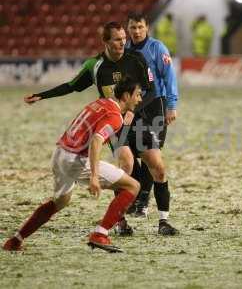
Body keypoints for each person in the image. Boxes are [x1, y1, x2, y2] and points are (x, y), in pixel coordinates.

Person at [22, 21, 158, 236]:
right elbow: (71, 86)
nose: (123, 43)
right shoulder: (94, 65)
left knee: (153, 163)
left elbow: (150, 89)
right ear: (105, 41)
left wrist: (134, 110)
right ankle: (120, 219)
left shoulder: (136, 59)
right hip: (111, 120)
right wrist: (42, 95)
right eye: (117, 39)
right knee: (127, 162)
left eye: (124, 38)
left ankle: (134, 203)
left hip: (136, 116)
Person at [3, 76, 143, 253]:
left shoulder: (100, 103)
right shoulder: (115, 117)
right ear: (126, 95)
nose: (140, 99)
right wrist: (94, 176)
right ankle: (100, 234)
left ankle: (15, 240)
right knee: (133, 186)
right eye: (137, 95)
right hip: (74, 158)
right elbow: (96, 141)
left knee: (60, 202)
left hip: (59, 152)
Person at [124, 12, 179, 235]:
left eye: (140, 27)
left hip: (156, 104)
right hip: (134, 106)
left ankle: (143, 203)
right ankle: (140, 198)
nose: (136, 31)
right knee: (136, 154)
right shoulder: (126, 51)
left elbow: (169, 77)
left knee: (151, 153)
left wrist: (171, 105)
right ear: (128, 29)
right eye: (133, 27)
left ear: (147, 28)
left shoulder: (158, 48)